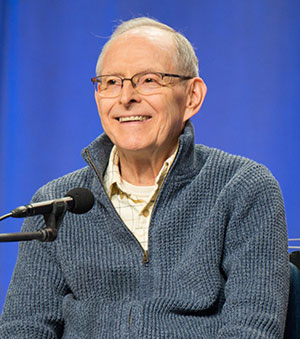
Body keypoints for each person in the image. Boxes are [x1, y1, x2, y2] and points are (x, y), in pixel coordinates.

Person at [0, 17, 289, 338]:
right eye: (110, 82)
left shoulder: (244, 187)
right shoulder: (56, 203)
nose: (126, 97)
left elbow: (252, 327)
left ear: (192, 96)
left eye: (148, 80)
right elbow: (23, 327)